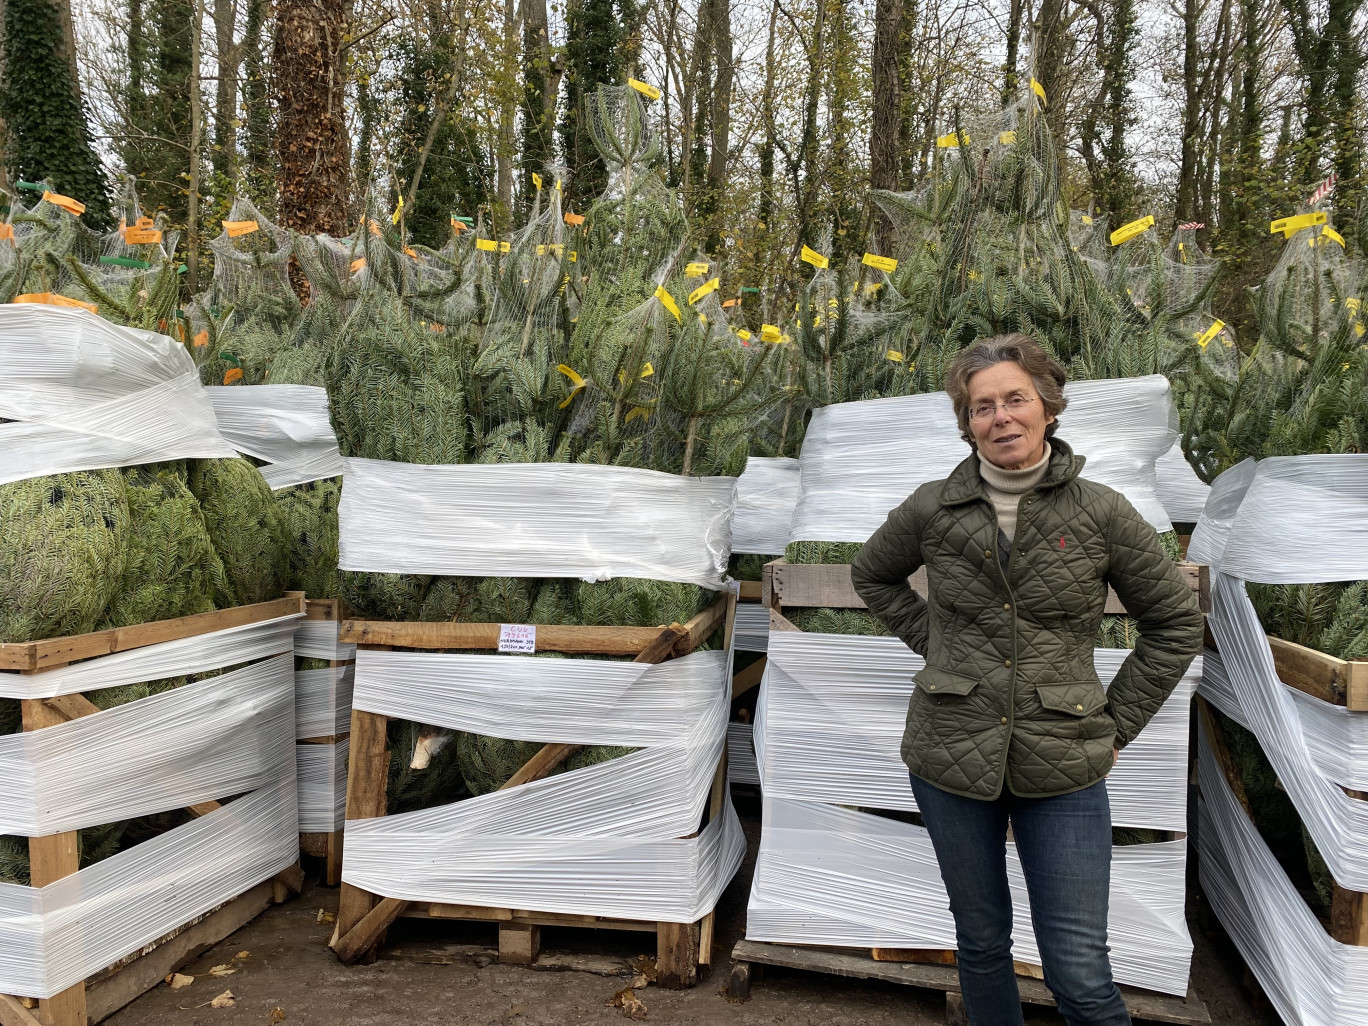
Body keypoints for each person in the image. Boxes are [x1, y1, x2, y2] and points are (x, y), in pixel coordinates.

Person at [850, 334, 1204, 1026]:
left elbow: (1175, 624)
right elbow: (872, 575)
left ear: (1046, 407)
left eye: (1015, 399)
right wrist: (941, 646)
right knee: (981, 946)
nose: (1001, 417)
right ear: (966, 422)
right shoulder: (932, 507)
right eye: (983, 407)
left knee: (1080, 970)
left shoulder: (1100, 512)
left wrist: (1116, 725)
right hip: (950, 753)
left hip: (1066, 760)